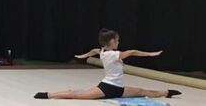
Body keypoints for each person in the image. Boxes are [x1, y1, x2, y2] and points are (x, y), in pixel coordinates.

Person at [34, 28, 181, 100]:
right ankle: (48, 94)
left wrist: (83, 55)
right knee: (76, 95)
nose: (119, 42)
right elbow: (132, 52)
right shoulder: (113, 54)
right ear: (112, 42)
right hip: (107, 88)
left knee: (143, 91)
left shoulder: (103, 51)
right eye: (117, 40)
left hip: (118, 89)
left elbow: (93, 51)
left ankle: (167, 93)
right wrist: (150, 54)